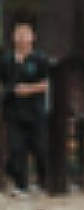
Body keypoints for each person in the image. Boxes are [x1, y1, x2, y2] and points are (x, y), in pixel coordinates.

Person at [0, 19, 50, 196]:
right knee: (16, 148)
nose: (21, 37)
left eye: (25, 33)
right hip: (14, 112)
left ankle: (43, 182)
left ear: (33, 37)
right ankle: (20, 184)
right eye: (18, 33)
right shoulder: (6, 60)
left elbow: (46, 84)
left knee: (40, 147)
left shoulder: (40, 60)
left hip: (35, 111)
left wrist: (29, 89)